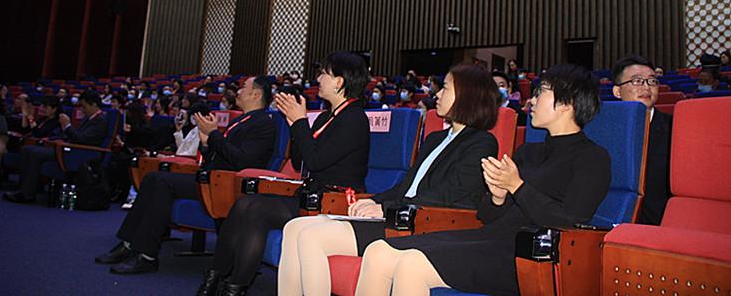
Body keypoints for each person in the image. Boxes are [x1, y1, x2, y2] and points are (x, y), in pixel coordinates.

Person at [355, 64, 611, 296]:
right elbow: (487, 216)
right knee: (378, 251)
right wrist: (498, 197)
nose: (532, 100)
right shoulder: (528, 152)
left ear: (567, 103)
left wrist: (517, 187)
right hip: (489, 238)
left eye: (541, 92)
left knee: (412, 264)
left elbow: (570, 221)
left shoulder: (592, 158)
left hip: (526, 255)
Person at [278, 65, 500, 296]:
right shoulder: (436, 139)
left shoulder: (481, 143)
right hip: (400, 212)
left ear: (467, 95)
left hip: (421, 221)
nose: (438, 94)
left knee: (311, 237)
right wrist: (373, 201)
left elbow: (446, 195)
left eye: (445, 88)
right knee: (294, 227)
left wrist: (384, 208)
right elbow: (407, 186)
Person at [195, 51, 371, 296]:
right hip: (312, 196)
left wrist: (299, 123)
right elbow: (301, 162)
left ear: (339, 82)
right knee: (244, 204)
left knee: (256, 209)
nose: (318, 79)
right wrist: (293, 124)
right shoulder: (325, 117)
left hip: (335, 201)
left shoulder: (354, 119)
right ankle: (216, 277)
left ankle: (233, 288)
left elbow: (316, 161)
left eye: (324, 74)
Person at [95, 76, 276, 275]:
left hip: (227, 185)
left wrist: (214, 134)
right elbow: (217, 156)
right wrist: (206, 143)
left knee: (162, 182)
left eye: (243, 87)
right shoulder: (241, 120)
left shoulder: (263, 124)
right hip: (212, 178)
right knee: (152, 178)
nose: (238, 91)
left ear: (256, 94)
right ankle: (129, 243)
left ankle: (146, 256)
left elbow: (242, 161)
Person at [3, 90, 108, 204]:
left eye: (84, 106)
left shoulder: (100, 120)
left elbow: (81, 139)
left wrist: (67, 126)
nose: (82, 109)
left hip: (81, 154)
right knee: (26, 149)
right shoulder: (88, 118)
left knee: (35, 153)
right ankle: (23, 189)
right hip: (70, 148)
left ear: (93, 104)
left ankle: (27, 195)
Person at [610, 55, 672, 225]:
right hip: (611, 220)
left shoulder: (675, 128)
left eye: (652, 81)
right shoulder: (606, 129)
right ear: (617, 91)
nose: (646, 87)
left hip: (660, 222)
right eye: (637, 81)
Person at [0, 95, 68, 189]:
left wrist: (30, 117)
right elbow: (25, 129)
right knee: (3, 140)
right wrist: (25, 115)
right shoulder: (43, 119)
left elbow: (38, 134)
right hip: (26, 144)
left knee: (3, 141)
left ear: (54, 109)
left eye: (45, 107)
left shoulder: (56, 122)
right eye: (41, 105)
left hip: (36, 147)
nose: (41, 108)